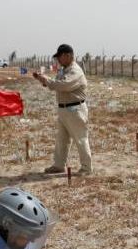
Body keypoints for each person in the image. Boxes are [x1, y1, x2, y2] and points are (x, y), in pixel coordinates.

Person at [34, 44, 93, 175]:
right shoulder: (63, 70)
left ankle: (86, 168)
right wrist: (43, 80)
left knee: (80, 139)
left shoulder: (75, 71)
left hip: (75, 109)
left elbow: (64, 85)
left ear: (68, 55)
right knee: (62, 139)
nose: (58, 60)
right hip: (64, 109)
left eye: (60, 57)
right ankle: (59, 165)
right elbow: (57, 83)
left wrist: (46, 80)